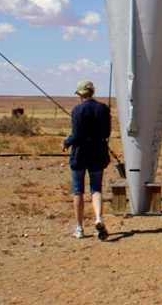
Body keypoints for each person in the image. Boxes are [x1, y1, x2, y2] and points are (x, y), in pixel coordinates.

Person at [62, 80, 111, 240]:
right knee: (96, 189)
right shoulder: (103, 108)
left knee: (78, 191)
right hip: (98, 153)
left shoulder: (77, 110)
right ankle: (98, 218)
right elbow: (106, 132)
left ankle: (79, 228)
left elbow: (77, 135)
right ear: (92, 92)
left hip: (80, 154)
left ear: (80, 94)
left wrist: (66, 142)